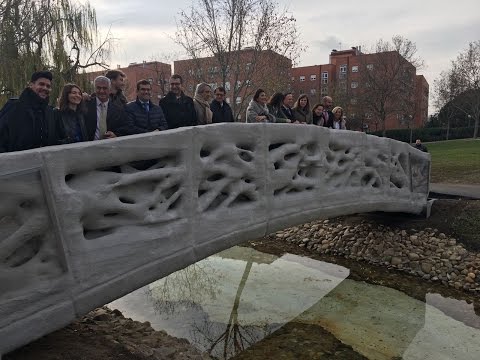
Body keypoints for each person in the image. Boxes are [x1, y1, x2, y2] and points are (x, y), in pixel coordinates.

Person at [0, 70, 57, 152]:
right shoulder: (14, 106)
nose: (45, 88)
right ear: (31, 85)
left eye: (48, 86)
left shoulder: (50, 112)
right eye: (41, 84)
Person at [84, 76, 131, 140]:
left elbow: (125, 128)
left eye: (105, 88)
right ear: (94, 89)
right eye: (98, 88)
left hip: (111, 146)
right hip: (89, 146)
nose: (101, 91)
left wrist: (116, 135)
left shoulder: (118, 109)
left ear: (110, 89)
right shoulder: (86, 105)